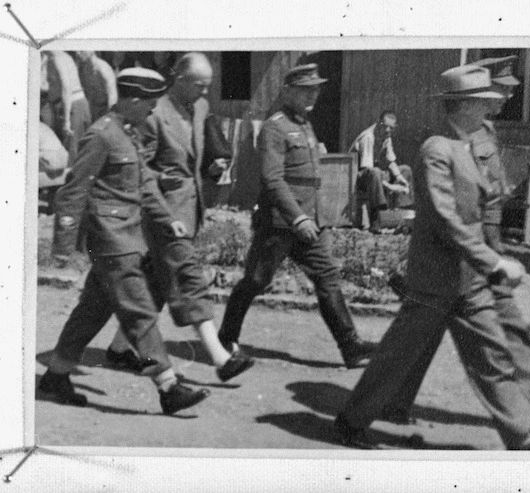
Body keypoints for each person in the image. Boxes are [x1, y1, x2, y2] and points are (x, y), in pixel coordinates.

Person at [335, 65, 530, 450]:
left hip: (469, 278)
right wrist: (493, 261)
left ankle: (522, 433)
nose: (489, 107)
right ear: (463, 105)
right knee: (397, 357)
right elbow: (446, 219)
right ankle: (350, 422)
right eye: (482, 101)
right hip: (434, 279)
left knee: (491, 355)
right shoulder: (436, 150)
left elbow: (484, 200)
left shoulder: (469, 143)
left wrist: (486, 259)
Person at [384, 56, 530, 427]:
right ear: (476, 96)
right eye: (502, 91)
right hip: (461, 250)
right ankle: (390, 401)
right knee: (424, 332)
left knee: (505, 320)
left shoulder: (485, 132)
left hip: (484, 243)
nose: (506, 98)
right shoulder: (448, 138)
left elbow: (489, 190)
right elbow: (445, 208)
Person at [39, 68, 210, 415]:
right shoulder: (101, 135)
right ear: (131, 100)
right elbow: (74, 189)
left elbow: (145, 185)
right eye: (148, 102)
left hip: (128, 236)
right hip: (111, 239)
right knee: (139, 311)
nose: (152, 109)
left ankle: (56, 375)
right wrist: (63, 245)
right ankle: (168, 386)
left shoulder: (127, 133)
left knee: (92, 310)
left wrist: (169, 222)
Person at [217, 64, 378, 369]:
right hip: (279, 223)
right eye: (305, 89)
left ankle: (351, 346)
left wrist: (313, 218)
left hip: (309, 222)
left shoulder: (304, 125)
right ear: (288, 91)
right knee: (256, 280)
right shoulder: (275, 128)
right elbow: (273, 179)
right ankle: (225, 338)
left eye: (316, 88)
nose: (312, 94)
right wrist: (298, 218)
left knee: (327, 277)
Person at [104, 53, 250, 382]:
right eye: (200, 86)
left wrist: (212, 169)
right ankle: (220, 358)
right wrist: (162, 184)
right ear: (179, 80)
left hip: (191, 206)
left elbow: (195, 155)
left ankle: (119, 348)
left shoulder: (199, 109)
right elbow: (140, 170)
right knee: (187, 276)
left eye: (209, 87)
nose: (205, 93)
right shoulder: (154, 114)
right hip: (163, 212)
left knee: (155, 281)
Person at [348, 111, 413, 231]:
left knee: (405, 169)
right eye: (385, 126)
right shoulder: (368, 136)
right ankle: (376, 217)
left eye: (391, 128)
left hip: (374, 175)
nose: (388, 130)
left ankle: (402, 213)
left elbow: (390, 160)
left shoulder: (386, 136)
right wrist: (387, 185)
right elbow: (367, 168)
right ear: (378, 123)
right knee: (376, 172)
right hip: (357, 177)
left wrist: (400, 178)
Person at [43, 51, 92, 163]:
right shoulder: (50, 59)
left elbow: (67, 88)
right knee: (69, 150)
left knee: (72, 151)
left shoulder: (58, 58)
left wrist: (67, 121)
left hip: (73, 106)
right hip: (66, 106)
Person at [73, 51, 118, 122]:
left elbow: (112, 94)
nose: (77, 53)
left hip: (105, 110)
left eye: (81, 50)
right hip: (92, 110)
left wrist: (109, 115)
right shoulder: (82, 69)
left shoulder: (103, 67)